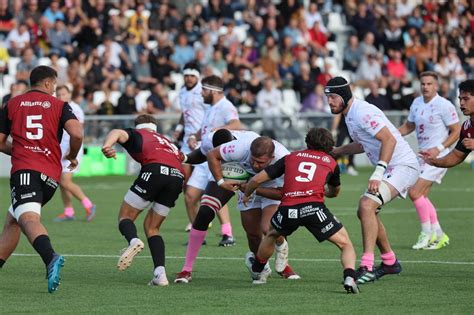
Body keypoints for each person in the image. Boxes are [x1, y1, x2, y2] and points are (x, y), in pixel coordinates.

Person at [325, 76, 419, 284]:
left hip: (403, 165)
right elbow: (362, 144)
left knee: (367, 204)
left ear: (344, 96)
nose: (329, 102)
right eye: (328, 98)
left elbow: (389, 139)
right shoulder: (349, 114)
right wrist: (337, 151)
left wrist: (378, 172)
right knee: (365, 210)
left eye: (332, 97)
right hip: (392, 166)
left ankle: (366, 265)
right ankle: (389, 262)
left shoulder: (362, 112)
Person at [242, 128, 359, 294]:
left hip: (288, 208)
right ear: (328, 145)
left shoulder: (290, 157)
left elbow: (256, 179)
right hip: (314, 209)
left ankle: (258, 268)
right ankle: (349, 277)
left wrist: (247, 194)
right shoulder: (331, 162)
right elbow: (334, 192)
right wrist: (320, 190)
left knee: (272, 235)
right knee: (345, 244)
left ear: (307, 142)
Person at [0, 65, 83, 293]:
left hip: (26, 171)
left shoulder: (12, 104)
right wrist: (72, 156)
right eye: (55, 85)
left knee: (26, 218)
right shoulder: (59, 105)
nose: (55, 89)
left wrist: (18, 151)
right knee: (13, 220)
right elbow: (77, 133)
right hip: (51, 176)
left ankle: (50, 257)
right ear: (48, 83)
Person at [175, 133, 299, 284]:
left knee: (268, 228)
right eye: (253, 160)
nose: (255, 165)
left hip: (270, 186)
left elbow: (282, 194)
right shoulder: (236, 146)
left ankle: (283, 257)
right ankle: (187, 269)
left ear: (272, 158)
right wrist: (221, 182)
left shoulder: (284, 159)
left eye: (260, 162)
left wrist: (253, 189)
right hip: (240, 178)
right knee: (248, 231)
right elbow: (210, 154)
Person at [101, 114, 185, 286]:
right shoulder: (166, 141)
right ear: (155, 126)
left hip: (154, 171)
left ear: (137, 126)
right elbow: (184, 158)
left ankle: (133, 241)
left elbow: (117, 131)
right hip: (177, 177)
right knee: (153, 228)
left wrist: (107, 146)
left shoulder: (137, 134)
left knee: (125, 217)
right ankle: (160, 274)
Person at [398, 72, 460, 250]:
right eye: (423, 84)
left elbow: (456, 131)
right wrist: (392, 134)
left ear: (436, 86)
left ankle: (426, 234)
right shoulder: (416, 103)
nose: (425, 87)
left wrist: (439, 148)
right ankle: (439, 235)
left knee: (415, 192)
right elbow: (409, 125)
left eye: (429, 84)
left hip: (438, 157)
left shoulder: (444, 105)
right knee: (421, 195)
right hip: (423, 156)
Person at [184, 74, 242, 246]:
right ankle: (198, 234)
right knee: (189, 196)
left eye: (203, 90)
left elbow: (236, 124)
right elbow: (205, 129)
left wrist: (219, 130)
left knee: (216, 195)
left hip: (217, 158)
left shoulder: (226, 106)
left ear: (213, 91)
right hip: (204, 156)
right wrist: (195, 135)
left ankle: (228, 234)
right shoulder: (210, 107)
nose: (201, 93)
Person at [53, 85, 97, 222]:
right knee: (62, 182)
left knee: (65, 181)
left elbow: (78, 132)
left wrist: (70, 151)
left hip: (72, 150)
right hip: (61, 150)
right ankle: (68, 212)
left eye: (64, 94)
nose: (61, 97)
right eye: (58, 94)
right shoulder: (58, 108)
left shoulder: (75, 109)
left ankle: (89, 205)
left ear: (69, 94)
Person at [421, 79, 474, 166]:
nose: (461, 103)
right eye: (460, 99)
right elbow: (456, 156)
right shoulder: (466, 127)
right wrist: (435, 162)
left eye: (466, 99)